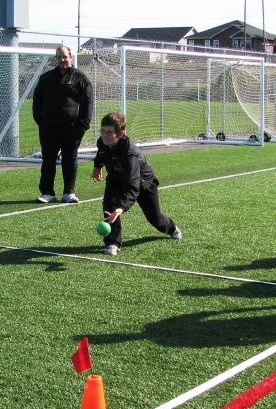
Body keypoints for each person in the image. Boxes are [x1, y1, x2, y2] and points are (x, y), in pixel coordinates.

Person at [92, 112, 182, 256]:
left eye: (109, 132)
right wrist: (98, 166)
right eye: (102, 131)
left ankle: (171, 228)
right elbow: (101, 153)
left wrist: (122, 208)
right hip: (116, 178)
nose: (104, 135)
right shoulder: (103, 142)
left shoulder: (130, 155)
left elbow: (132, 186)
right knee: (109, 206)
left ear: (120, 133)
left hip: (143, 183)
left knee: (156, 219)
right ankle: (112, 242)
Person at [32, 45, 93, 204]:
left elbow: (88, 103)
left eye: (64, 56)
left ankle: (69, 193)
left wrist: (83, 125)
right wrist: (41, 121)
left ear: (70, 56)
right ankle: (47, 192)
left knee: (70, 160)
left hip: (72, 129)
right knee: (48, 160)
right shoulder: (46, 78)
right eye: (59, 57)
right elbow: (37, 101)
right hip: (49, 129)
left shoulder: (80, 78)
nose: (62, 60)